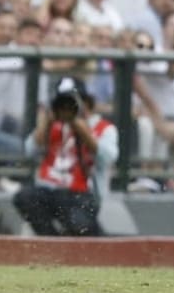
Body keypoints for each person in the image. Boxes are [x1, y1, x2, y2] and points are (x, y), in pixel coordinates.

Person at [13, 76, 117, 236]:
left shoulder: (103, 128)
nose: (68, 108)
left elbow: (108, 158)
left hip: (82, 194)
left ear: (87, 102)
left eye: (74, 102)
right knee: (25, 197)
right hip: (50, 190)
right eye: (63, 104)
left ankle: (91, 242)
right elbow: (29, 151)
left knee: (78, 222)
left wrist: (83, 130)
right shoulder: (52, 124)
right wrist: (45, 123)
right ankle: (52, 242)